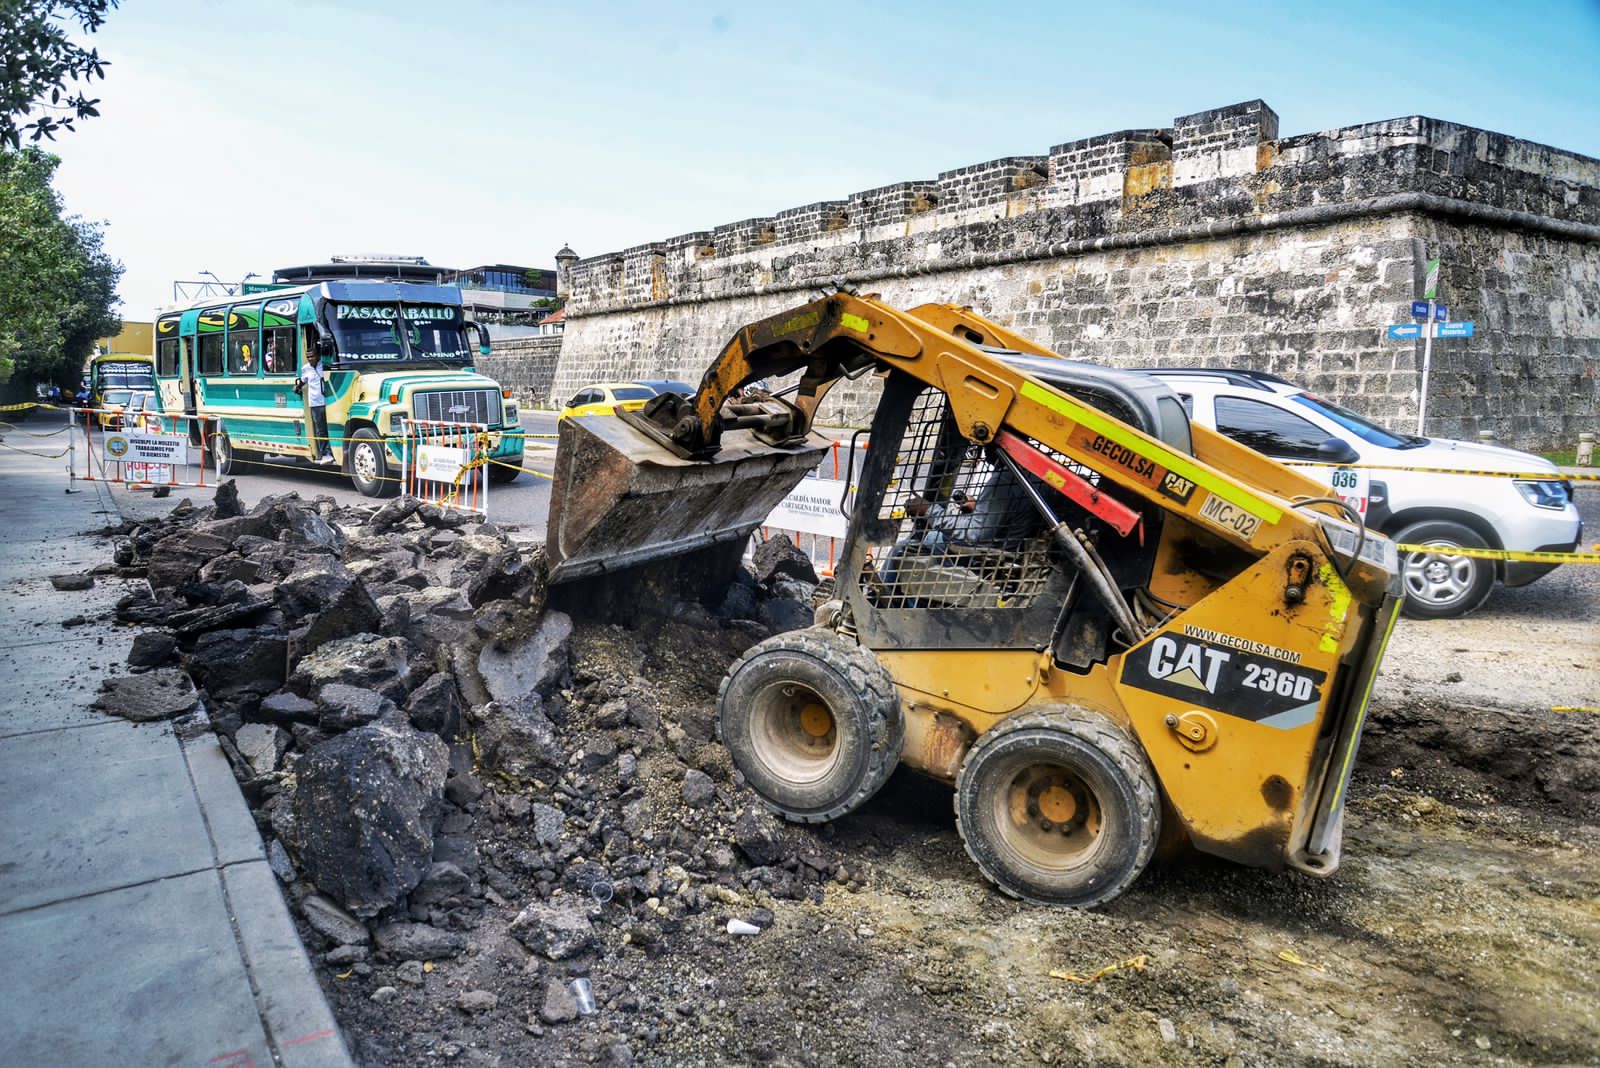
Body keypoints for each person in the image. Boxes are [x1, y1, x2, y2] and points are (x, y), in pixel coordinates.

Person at [297, 349, 337, 464]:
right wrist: (297, 387)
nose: (310, 359)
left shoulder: (325, 366)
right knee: (321, 430)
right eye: (308, 357)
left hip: (328, 402)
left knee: (329, 428)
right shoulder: (305, 368)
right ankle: (325, 454)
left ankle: (334, 452)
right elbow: (303, 380)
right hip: (315, 403)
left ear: (318, 356)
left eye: (312, 356)